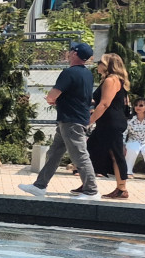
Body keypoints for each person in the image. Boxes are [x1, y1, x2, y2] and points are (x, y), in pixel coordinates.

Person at [23, 42, 99, 198]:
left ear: (75, 54)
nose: (68, 52)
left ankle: (91, 190)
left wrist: (51, 99)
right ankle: (39, 186)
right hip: (73, 118)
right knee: (55, 153)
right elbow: (79, 97)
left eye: (71, 50)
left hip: (71, 120)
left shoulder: (69, 73)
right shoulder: (87, 74)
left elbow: (52, 94)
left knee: (80, 155)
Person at [87, 51, 132, 200]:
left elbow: (105, 103)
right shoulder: (114, 80)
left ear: (108, 65)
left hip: (110, 122)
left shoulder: (111, 80)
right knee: (91, 150)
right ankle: (88, 182)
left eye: (101, 62)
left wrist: (90, 120)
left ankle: (121, 188)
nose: (98, 65)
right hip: (108, 122)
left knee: (114, 154)